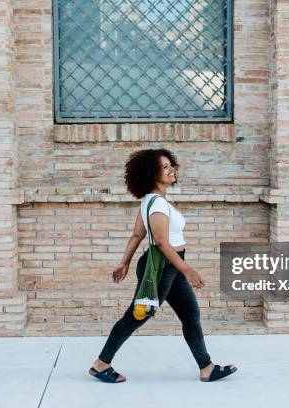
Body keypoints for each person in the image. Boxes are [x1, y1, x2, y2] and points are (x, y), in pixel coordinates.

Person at [88, 148, 238, 383]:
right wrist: (187, 270)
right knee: (136, 316)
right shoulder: (156, 203)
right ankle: (101, 364)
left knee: (190, 315)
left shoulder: (151, 200)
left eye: (171, 165)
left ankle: (206, 367)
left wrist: (124, 262)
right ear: (151, 173)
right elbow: (160, 242)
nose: (171, 170)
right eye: (165, 167)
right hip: (163, 267)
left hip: (171, 267)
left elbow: (137, 234)